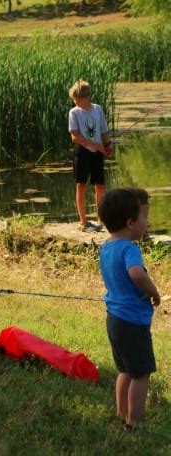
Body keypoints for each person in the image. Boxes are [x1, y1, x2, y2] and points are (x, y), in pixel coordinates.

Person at [98, 188, 160, 430]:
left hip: (114, 319)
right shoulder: (130, 249)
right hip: (132, 321)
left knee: (124, 370)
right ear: (130, 222)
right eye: (144, 217)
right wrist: (153, 291)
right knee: (141, 374)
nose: (147, 222)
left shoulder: (107, 247)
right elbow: (135, 273)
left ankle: (121, 412)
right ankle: (134, 422)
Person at [68, 79, 113, 231]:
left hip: (97, 153)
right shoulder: (73, 112)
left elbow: (104, 131)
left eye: (77, 99)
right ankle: (83, 221)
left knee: (100, 186)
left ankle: (101, 220)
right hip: (82, 152)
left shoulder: (98, 109)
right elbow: (75, 137)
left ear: (86, 97)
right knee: (81, 185)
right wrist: (96, 145)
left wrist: (107, 145)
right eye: (74, 99)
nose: (75, 101)